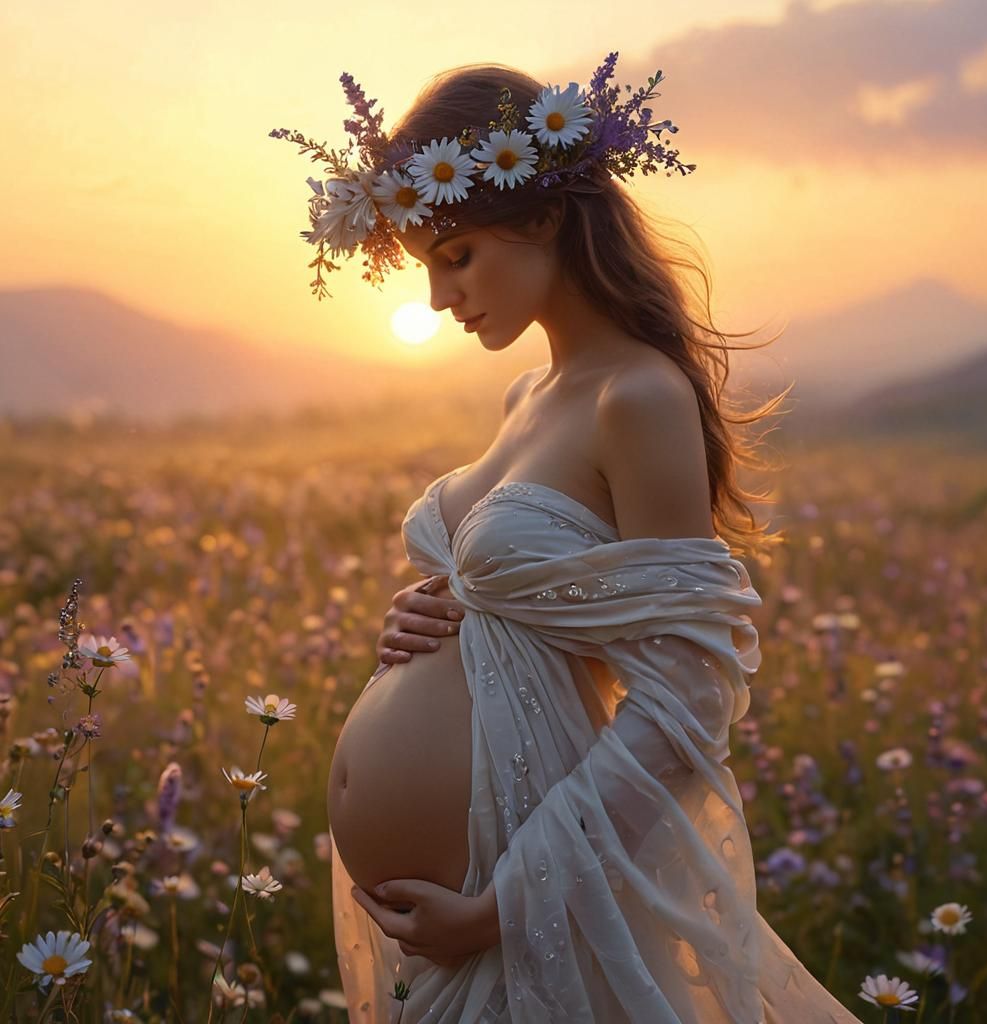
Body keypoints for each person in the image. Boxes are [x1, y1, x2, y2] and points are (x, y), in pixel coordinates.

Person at [273, 55, 865, 1023]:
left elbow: (686, 691)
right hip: (453, 909)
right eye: (426, 263)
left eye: (456, 253)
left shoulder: (638, 397)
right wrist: (440, 610)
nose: (436, 296)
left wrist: (502, 905)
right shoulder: (527, 394)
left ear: (544, 214)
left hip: (518, 897)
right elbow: (547, 592)